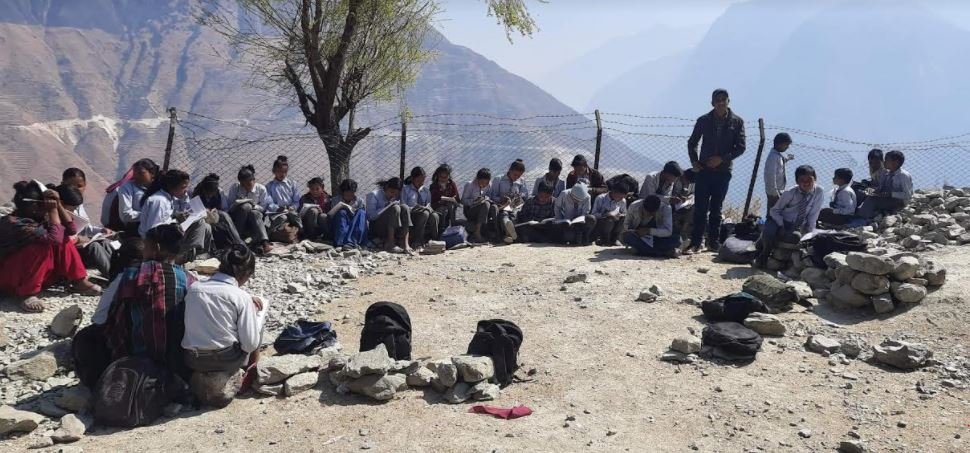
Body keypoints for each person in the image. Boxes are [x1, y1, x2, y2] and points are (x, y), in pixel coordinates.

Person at [103, 224, 195, 381]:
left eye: (145, 246)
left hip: (137, 356)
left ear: (156, 248)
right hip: (176, 359)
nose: (143, 250)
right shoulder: (189, 279)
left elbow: (116, 316)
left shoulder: (133, 274)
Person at [0, 181, 101, 312]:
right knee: (41, 245)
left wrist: (58, 205)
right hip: (11, 278)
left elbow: (70, 230)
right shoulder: (16, 224)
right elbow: (54, 239)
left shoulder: (36, 219)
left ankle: (78, 281)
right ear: (35, 206)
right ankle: (27, 293)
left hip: (34, 274)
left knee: (63, 236)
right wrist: (53, 211)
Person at [182, 245, 267, 389]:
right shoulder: (241, 297)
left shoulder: (194, 288)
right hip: (225, 360)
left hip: (192, 359)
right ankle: (250, 373)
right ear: (246, 274)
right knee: (259, 318)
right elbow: (250, 344)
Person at [686, 88, 746, 254]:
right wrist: (695, 162)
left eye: (723, 99)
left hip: (723, 172)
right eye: (717, 100)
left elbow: (741, 148)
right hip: (704, 171)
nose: (721, 103)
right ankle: (696, 242)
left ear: (728, 101)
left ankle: (713, 242)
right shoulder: (704, 120)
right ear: (712, 102)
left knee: (716, 208)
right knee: (700, 208)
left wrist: (722, 159)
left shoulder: (737, 122)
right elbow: (692, 143)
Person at [755, 165, 824, 268]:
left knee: (796, 237)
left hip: (795, 225)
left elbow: (814, 214)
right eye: (802, 180)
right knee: (769, 231)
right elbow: (774, 211)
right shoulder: (790, 193)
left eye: (809, 179)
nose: (806, 183)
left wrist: (810, 233)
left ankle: (767, 243)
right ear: (797, 181)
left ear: (815, 179)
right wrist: (781, 224)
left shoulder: (818, 192)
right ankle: (764, 253)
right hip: (780, 219)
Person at [139, 169, 214, 263]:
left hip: (167, 236)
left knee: (204, 224)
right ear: (172, 186)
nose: (185, 190)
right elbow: (155, 230)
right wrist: (177, 220)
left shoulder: (169, 198)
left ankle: (194, 253)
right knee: (199, 223)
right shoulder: (159, 201)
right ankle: (186, 256)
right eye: (183, 187)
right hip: (157, 243)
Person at [56, 183, 117, 278]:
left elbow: (84, 229)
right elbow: (67, 238)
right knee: (93, 246)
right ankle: (112, 276)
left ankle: (118, 270)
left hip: (77, 245)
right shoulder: (54, 217)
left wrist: (99, 233)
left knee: (104, 242)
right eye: (72, 209)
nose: (72, 212)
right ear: (62, 204)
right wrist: (82, 239)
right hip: (65, 254)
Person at [226, 165, 274, 253]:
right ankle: (237, 238)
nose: (246, 187)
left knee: (254, 212)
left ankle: (265, 242)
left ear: (254, 180)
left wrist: (253, 206)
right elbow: (229, 207)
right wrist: (237, 203)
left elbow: (263, 208)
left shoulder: (261, 189)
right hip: (239, 217)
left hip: (255, 217)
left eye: (248, 184)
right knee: (245, 206)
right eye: (243, 185)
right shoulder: (235, 188)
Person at [192, 173, 246, 250]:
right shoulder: (196, 193)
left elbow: (225, 208)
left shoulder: (219, 192)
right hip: (202, 217)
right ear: (204, 189)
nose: (210, 195)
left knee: (224, 215)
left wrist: (216, 211)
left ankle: (238, 241)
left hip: (216, 215)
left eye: (212, 193)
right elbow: (195, 210)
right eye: (208, 193)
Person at [857, 150, 913, 219]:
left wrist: (891, 194)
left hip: (898, 201)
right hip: (886, 196)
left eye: (887, 160)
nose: (884, 162)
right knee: (863, 192)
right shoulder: (887, 174)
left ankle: (863, 219)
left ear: (895, 163)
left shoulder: (903, 175)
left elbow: (907, 195)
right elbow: (881, 187)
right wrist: (875, 191)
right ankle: (854, 211)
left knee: (872, 200)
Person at [110, 158, 160, 233]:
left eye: (140, 173)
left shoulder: (160, 188)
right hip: (136, 228)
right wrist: (149, 215)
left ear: (152, 173)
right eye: (134, 173)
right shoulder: (127, 188)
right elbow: (126, 214)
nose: (136, 176)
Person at [366, 178, 413, 253]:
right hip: (378, 227)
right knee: (395, 208)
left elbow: (403, 207)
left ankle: (405, 244)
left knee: (405, 207)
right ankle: (391, 244)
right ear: (386, 187)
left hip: (394, 226)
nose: (393, 195)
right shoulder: (373, 195)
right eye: (391, 192)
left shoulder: (397, 196)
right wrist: (384, 208)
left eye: (396, 194)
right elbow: (370, 217)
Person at [490, 160, 529, 244]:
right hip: (502, 206)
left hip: (515, 206)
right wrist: (502, 199)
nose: (516, 177)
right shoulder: (499, 179)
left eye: (519, 175)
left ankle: (509, 235)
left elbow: (526, 194)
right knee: (504, 214)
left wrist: (520, 196)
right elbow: (492, 196)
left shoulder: (521, 181)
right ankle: (510, 232)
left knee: (514, 214)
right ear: (510, 170)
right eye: (515, 175)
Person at [265, 155, 303, 240]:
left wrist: (292, 207)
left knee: (295, 216)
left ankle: (301, 233)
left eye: (285, 172)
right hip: (277, 213)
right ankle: (269, 235)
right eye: (280, 171)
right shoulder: (269, 186)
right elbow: (269, 203)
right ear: (274, 171)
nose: (282, 174)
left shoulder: (292, 184)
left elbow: (296, 201)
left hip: (290, 210)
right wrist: (277, 208)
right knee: (283, 218)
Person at [402, 167, 440, 250]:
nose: (421, 183)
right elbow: (403, 205)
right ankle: (418, 241)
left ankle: (434, 240)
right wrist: (415, 208)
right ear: (412, 179)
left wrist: (428, 208)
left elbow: (428, 204)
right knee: (424, 213)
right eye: (418, 180)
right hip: (411, 214)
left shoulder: (426, 190)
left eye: (423, 180)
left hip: (424, 212)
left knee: (434, 216)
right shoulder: (406, 190)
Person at [329, 179, 368, 248]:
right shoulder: (336, 200)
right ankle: (341, 242)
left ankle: (354, 242)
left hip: (354, 224)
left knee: (361, 212)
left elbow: (362, 219)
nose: (349, 194)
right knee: (342, 212)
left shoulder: (359, 201)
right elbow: (331, 215)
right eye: (347, 192)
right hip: (340, 224)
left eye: (351, 192)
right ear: (343, 192)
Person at [461, 168, 496, 244]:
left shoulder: (489, 185)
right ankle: (477, 232)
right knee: (486, 204)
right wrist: (474, 201)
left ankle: (496, 232)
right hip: (470, 210)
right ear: (477, 179)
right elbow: (463, 200)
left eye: (486, 183)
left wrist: (486, 199)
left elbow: (491, 197)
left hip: (483, 207)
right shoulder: (470, 185)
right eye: (482, 182)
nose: (484, 185)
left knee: (491, 205)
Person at [763, 133, 793, 215]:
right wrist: (774, 193)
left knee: (777, 213)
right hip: (774, 192)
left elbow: (781, 162)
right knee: (773, 213)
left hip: (778, 191)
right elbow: (770, 175)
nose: (787, 147)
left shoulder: (778, 155)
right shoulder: (773, 157)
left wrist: (788, 158)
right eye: (786, 145)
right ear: (780, 144)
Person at [592, 182, 629, 246]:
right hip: (602, 223)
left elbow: (624, 213)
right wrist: (605, 214)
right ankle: (604, 239)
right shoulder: (600, 198)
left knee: (624, 219)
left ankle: (614, 239)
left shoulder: (623, 201)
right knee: (609, 220)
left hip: (616, 222)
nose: (621, 199)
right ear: (614, 192)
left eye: (622, 197)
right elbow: (593, 214)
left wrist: (621, 215)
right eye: (620, 197)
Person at [429, 164, 460, 231]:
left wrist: (453, 198)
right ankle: (442, 230)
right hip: (438, 207)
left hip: (450, 207)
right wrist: (440, 201)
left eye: (445, 177)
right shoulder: (434, 186)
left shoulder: (451, 184)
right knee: (444, 209)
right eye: (441, 177)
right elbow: (431, 203)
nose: (443, 179)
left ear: (449, 176)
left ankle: (453, 227)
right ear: (437, 176)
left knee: (450, 206)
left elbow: (457, 198)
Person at [672, 169, 696, 242]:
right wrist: (678, 196)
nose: (688, 183)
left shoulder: (692, 183)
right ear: (683, 175)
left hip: (685, 204)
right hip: (673, 203)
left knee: (693, 209)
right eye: (687, 181)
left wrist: (689, 198)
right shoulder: (675, 179)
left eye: (690, 182)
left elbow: (692, 193)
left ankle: (684, 232)